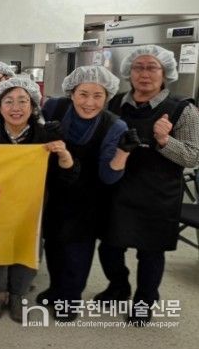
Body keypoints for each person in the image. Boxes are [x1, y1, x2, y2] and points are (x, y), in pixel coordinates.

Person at [98, 45, 199, 326]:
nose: (144, 74)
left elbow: (192, 157)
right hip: (118, 189)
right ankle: (119, 286)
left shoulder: (183, 109)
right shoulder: (114, 104)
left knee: (150, 252)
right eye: (138, 67)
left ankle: (144, 301)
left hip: (158, 193)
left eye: (152, 68)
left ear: (165, 73)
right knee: (109, 247)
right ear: (128, 72)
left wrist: (165, 140)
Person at [0, 77, 78, 323]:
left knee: (27, 250)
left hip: (32, 209)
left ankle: (18, 295)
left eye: (22, 101)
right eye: (9, 101)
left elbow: (65, 178)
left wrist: (63, 154)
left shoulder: (45, 135)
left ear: (33, 106)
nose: (16, 108)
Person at [38, 66, 135, 321]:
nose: (89, 103)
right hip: (56, 192)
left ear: (107, 97)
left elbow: (109, 176)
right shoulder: (54, 108)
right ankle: (56, 288)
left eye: (97, 96)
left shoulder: (115, 126)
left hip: (89, 198)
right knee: (54, 244)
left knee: (77, 252)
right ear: (71, 93)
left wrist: (123, 153)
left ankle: (70, 299)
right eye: (83, 94)